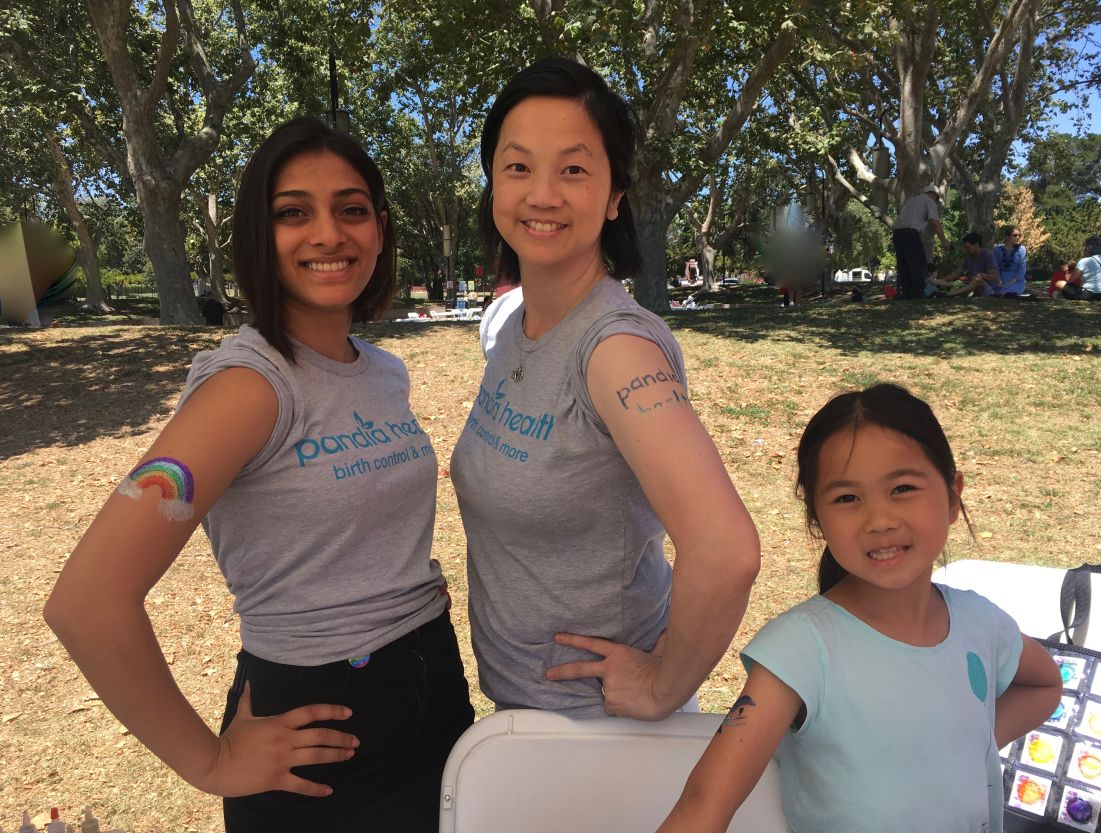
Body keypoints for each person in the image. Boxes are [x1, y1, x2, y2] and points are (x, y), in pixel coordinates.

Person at [43, 117, 473, 833]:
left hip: (434, 693)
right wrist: (209, 763)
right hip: (324, 732)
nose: (329, 233)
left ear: (381, 228)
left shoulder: (380, 371)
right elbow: (87, 602)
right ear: (255, 235)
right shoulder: (248, 388)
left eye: (352, 209)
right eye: (293, 212)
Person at [450, 57, 760, 721]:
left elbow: (726, 549)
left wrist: (660, 685)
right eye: (518, 166)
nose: (542, 193)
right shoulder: (514, 326)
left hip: (596, 735)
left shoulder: (614, 349)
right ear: (493, 184)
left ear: (615, 194)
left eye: (573, 168)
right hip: (523, 714)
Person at [657, 383, 1062, 833]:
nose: (880, 520)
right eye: (847, 498)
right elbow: (703, 805)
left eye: (902, 487)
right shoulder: (801, 652)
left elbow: (1044, 686)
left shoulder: (981, 624)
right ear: (817, 519)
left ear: (953, 496)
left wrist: (963, 749)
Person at [891, 184, 950, 299]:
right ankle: (917, 293)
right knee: (918, 264)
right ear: (934, 194)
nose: (937, 201)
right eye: (937, 199)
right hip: (911, 233)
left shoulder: (911, 201)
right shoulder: (929, 201)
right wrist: (944, 240)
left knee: (904, 265)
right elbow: (934, 222)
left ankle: (906, 294)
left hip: (897, 234)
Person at [936, 232, 1001, 297]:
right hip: (975, 288)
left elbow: (995, 277)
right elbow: (957, 272)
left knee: (978, 279)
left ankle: (948, 294)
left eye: (967, 247)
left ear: (976, 245)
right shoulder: (969, 256)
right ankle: (943, 292)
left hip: (990, 290)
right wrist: (942, 280)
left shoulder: (988, 255)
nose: (966, 250)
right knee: (960, 283)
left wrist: (981, 275)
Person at [1061, 235, 1101, 300]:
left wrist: (1066, 270)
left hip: (1089, 295)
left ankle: (1059, 296)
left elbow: (1069, 279)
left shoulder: (1084, 261)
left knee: (1060, 283)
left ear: (1087, 248)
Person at [993, 225, 1027, 297]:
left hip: (1016, 280)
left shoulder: (1022, 249)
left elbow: (1022, 268)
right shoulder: (997, 249)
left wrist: (1009, 283)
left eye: (1019, 235)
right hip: (1001, 277)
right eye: (1015, 235)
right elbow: (996, 267)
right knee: (993, 287)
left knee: (1009, 290)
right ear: (1007, 237)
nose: (1017, 237)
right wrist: (999, 281)